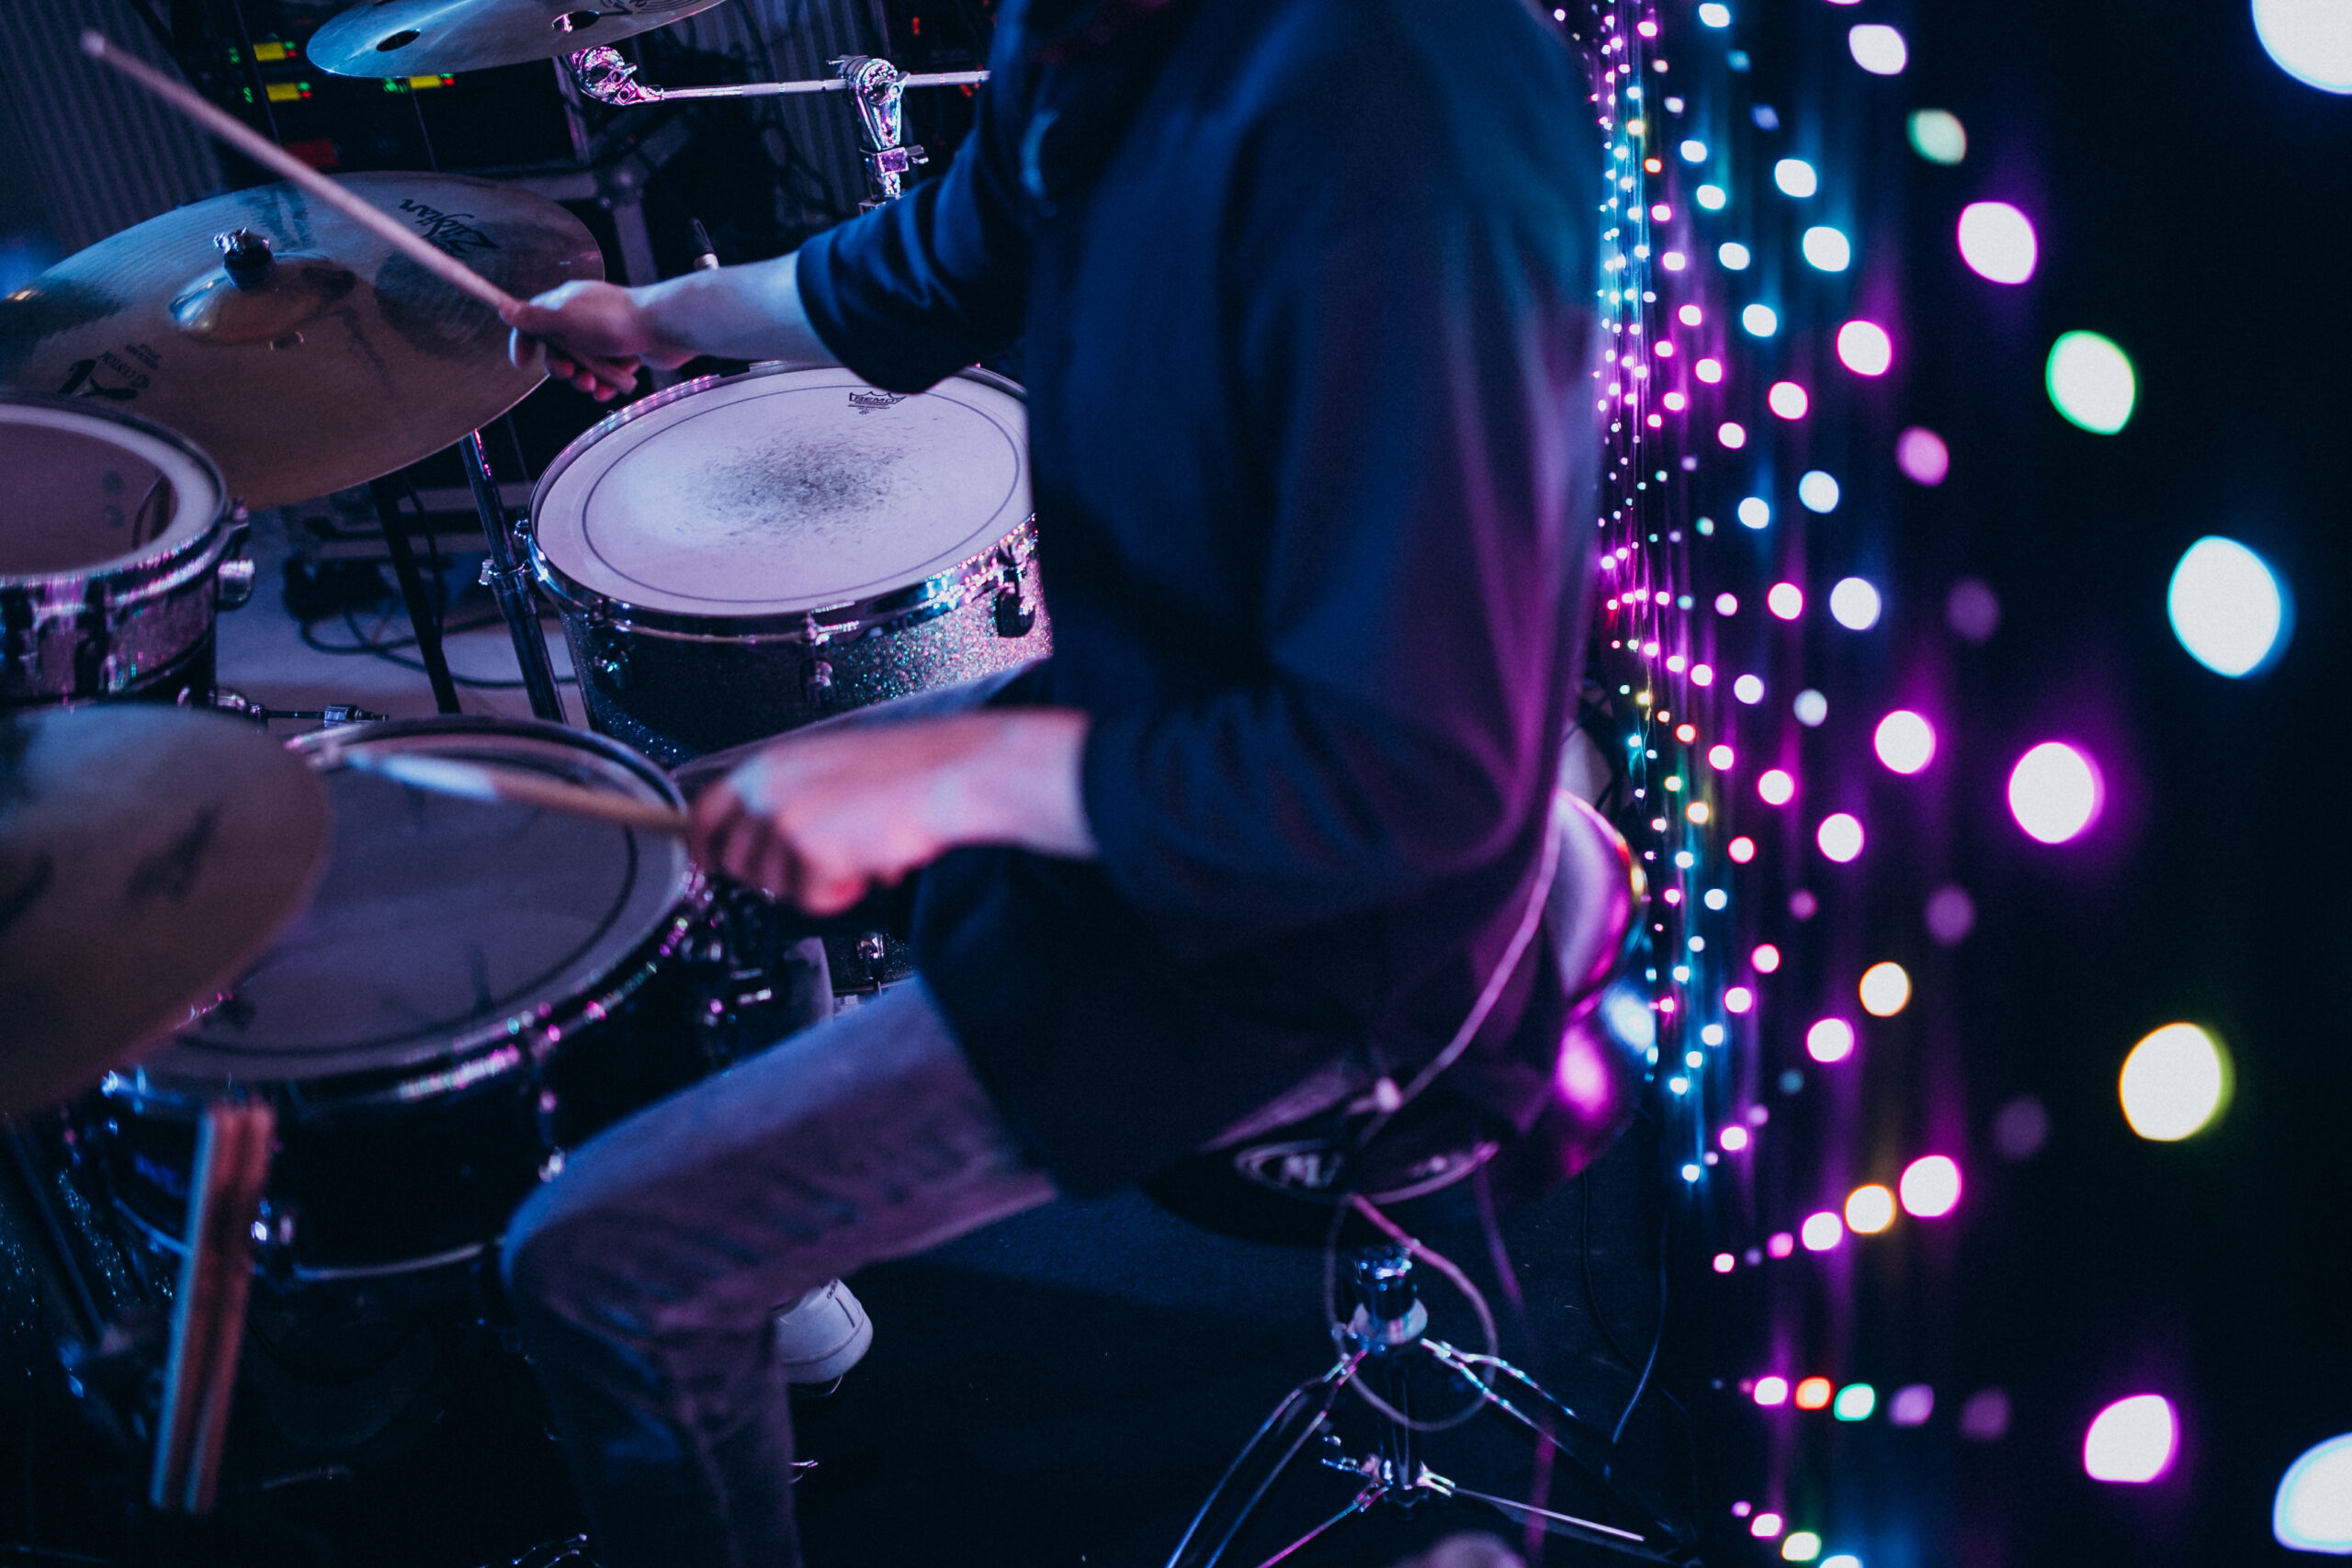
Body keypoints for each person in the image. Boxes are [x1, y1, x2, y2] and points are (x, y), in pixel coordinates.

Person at [495, 0, 1601, 1558]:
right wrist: (660, 314)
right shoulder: (1099, 28)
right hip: (1153, 724)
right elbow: (944, 256)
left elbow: (1411, 775)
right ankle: (785, 1262)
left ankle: (706, 1284)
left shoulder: (1411, 103)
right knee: (683, 837)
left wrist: (953, 774)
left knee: (594, 1263)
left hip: (1310, 925)